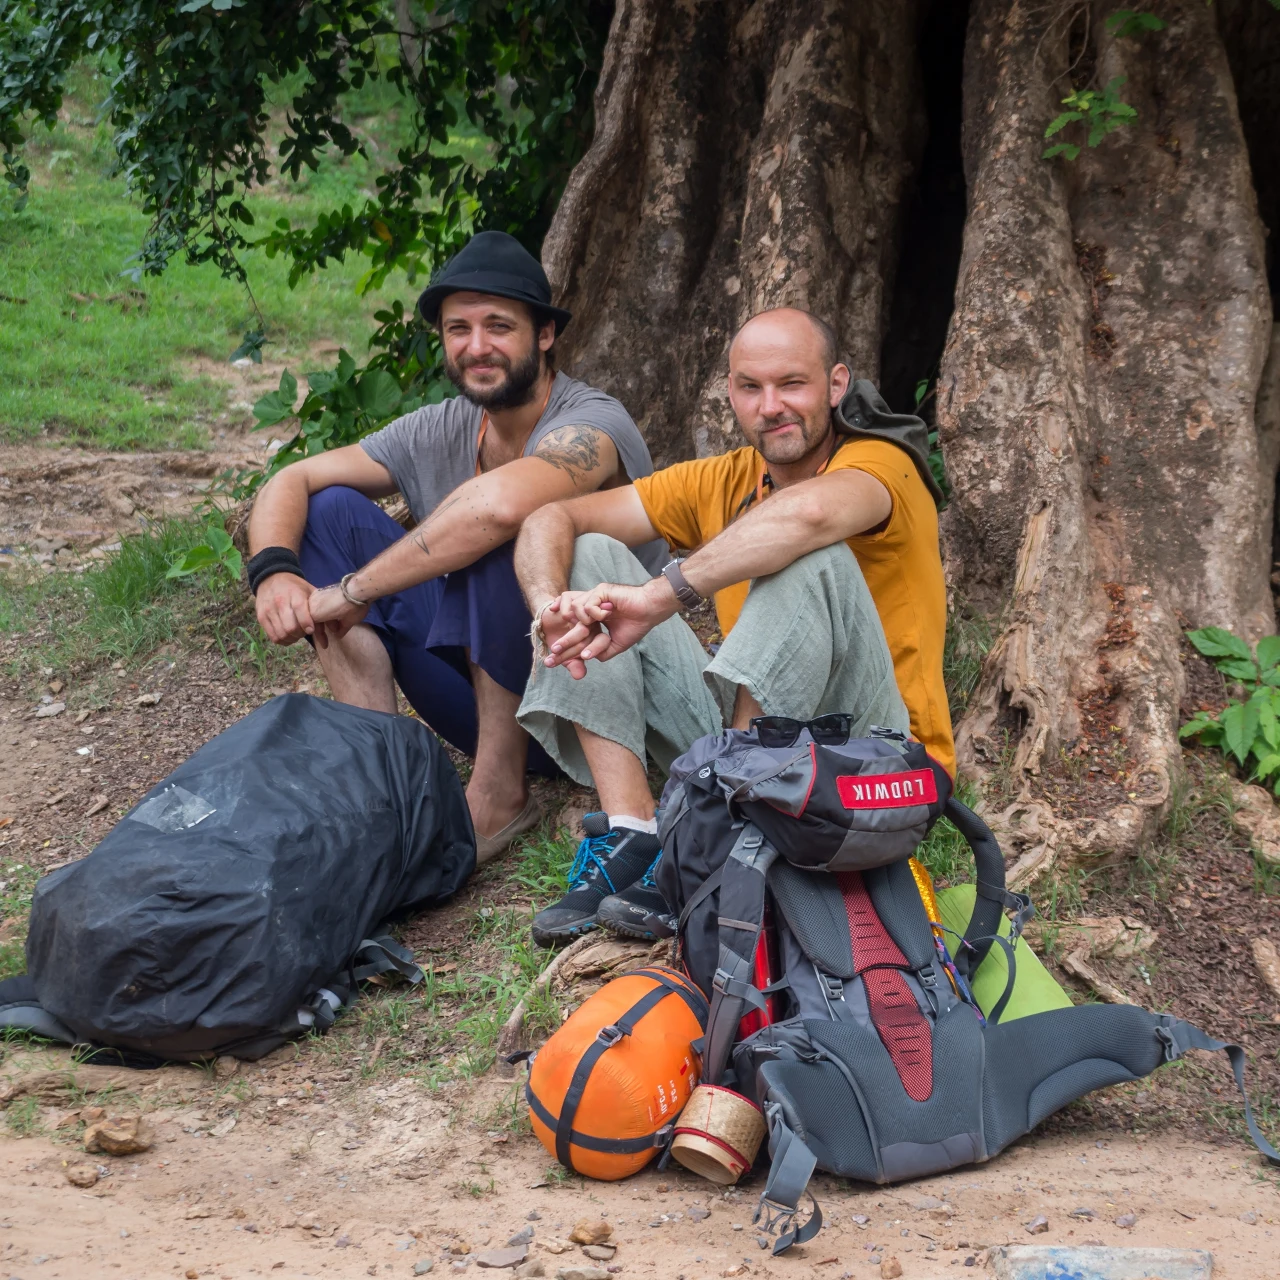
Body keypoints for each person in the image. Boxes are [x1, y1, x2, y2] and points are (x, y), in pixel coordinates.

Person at [512, 306, 953, 946]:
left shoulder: (883, 467)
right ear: (732, 394)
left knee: (809, 552)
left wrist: (666, 592)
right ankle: (634, 834)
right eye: (751, 387)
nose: (771, 406)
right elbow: (552, 518)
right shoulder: (724, 479)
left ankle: (715, 838)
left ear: (835, 385)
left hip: (876, 756)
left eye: (792, 385)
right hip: (751, 738)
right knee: (587, 555)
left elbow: (804, 517)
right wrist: (552, 605)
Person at [245, 231, 665, 863]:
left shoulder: (594, 424)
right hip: (482, 691)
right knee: (328, 512)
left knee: (504, 527)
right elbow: (292, 478)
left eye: (499, 326)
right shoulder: (440, 427)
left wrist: (354, 590)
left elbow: (497, 507)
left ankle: (500, 793)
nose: (476, 347)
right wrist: (273, 573)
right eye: (457, 329)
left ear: (544, 334)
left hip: (589, 703)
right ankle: (382, 777)